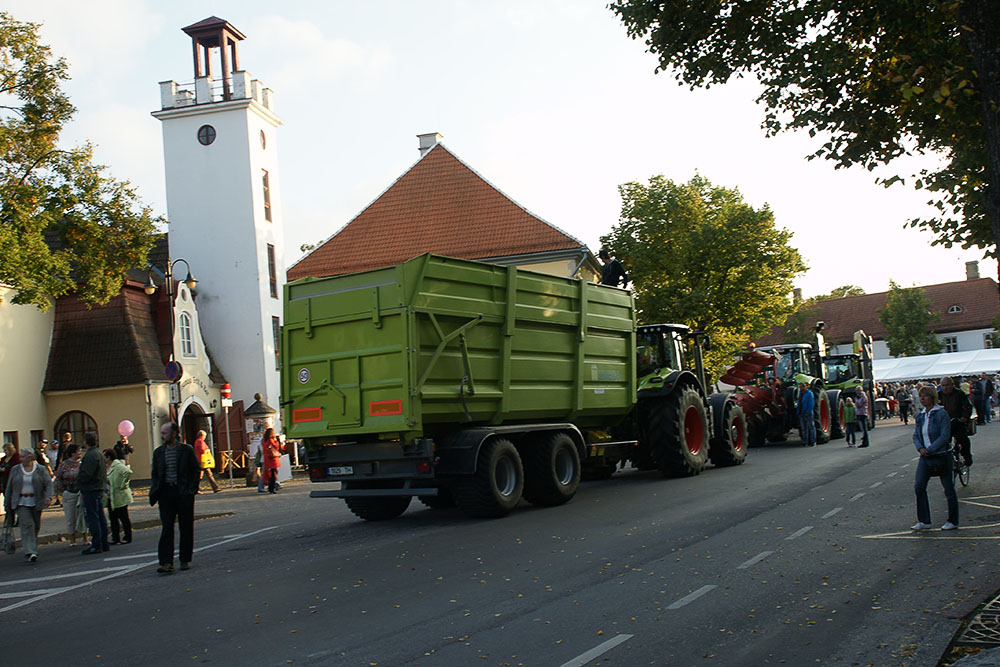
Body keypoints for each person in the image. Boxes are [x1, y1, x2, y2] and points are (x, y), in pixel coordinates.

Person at [149, 422, 199, 574]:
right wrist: (155, 489)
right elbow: (155, 473)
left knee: (185, 527)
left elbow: (195, 470)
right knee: (167, 527)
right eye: (162, 433)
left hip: (183, 493)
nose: (162, 436)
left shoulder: (185, 450)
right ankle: (166, 562)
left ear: (174, 434)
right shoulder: (159, 452)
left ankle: (184, 559)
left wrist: (191, 489)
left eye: (165, 433)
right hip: (166, 493)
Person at [912, 385, 957, 531]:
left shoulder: (941, 414)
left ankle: (953, 520)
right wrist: (921, 448)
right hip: (926, 457)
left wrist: (931, 449)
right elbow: (916, 435)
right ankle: (924, 520)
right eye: (921, 397)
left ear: (932, 397)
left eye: (925, 396)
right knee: (919, 486)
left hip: (941, 455)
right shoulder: (921, 415)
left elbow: (945, 436)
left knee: (948, 488)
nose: (923, 399)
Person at [3, 448, 53, 562]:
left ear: (30, 457)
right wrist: (7, 503)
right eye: (21, 457)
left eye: (23, 457)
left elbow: (48, 483)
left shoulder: (40, 469)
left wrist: (48, 496)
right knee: (26, 525)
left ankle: (33, 546)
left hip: (36, 501)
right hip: (21, 502)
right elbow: (9, 487)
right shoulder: (15, 470)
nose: (21, 459)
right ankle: (30, 551)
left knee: (35, 526)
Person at [77, 432, 110, 555]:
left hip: (91, 488)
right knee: (100, 516)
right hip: (98, 487)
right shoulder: (99, 453)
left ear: (86, 441)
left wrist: (79, 480)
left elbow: (87, 474)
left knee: (93, 517)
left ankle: (97, 544)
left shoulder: (90, 455)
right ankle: (103, 542)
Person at [939, 376, 973, 467]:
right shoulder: (939, 395)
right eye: (943, 386)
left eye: (947, 385)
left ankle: (967, 456)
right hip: (944, 423)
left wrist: (964, 417)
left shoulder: (959, 394)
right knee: (943, 441)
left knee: (962, 438)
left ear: (952, 385)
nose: (945, 388)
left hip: (957, 421)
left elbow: (967, 406)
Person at [54, 444, 84, 546]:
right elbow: (58, 478)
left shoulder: (82, 463)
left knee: (82, 516)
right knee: (71, 517)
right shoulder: (64, 465)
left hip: (81, 493)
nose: (80, 453)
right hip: (69, 493)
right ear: (73, 453)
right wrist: (63, 491)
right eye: (78, 451)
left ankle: (85, 537)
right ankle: (72, 539)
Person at [104, 449, 133, 545]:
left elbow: (128, 472)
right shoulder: (107, 467)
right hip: (111, 495)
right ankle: (115, 537)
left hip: (120, 495)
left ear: (109, 457)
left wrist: (122, 485)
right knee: (112, 518)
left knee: (123, 517)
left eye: (104, 456)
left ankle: (127, 536)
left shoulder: (118, 465)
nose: (103, 458)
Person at [261, 428, 284, 494]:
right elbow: (276, 446)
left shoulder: (264, 440)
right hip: (272, 458)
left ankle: (271, 487)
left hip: (267, 457)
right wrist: (276, 440)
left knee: (270, 473)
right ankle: (272, 488)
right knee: (273, 473)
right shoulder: (271, 440)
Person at [797, 382, 816, 446]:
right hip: (801, 413)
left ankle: (813, 441)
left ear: (805, 387)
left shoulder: (809, 394)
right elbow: (799, 404)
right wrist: (798, 412)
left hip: (808, 413)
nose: (800, 388)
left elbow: (811, 404)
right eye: (799, 387)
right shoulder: (800, 394)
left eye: (801, 387)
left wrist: (808, 412)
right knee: (804, 429)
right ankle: (805, 442)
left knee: (811, 427)